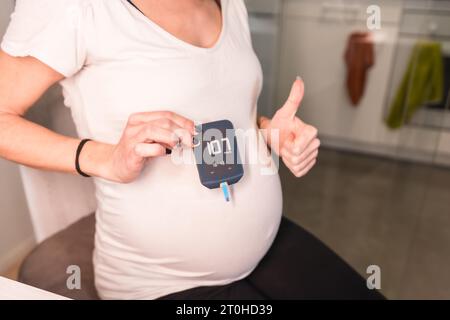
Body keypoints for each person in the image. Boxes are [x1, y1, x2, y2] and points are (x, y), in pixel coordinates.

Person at [0, 0, 382, 300]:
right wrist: (104, 159)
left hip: (267, 244)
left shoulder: (229, 4)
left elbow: (227, 114)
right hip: (161, 281)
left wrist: (267, 134)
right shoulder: (75, 6)